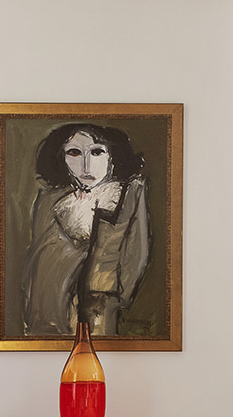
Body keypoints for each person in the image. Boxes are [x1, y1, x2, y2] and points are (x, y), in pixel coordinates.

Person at [22, 122, 151, 337]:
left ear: (112, 155)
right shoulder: (49, 202)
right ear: (60, 157)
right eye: (74, 153)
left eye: (97, 152)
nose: (86, 166)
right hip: (44, 318)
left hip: (98, 318)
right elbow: (35, 266)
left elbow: (133, 260)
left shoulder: (129, 196)